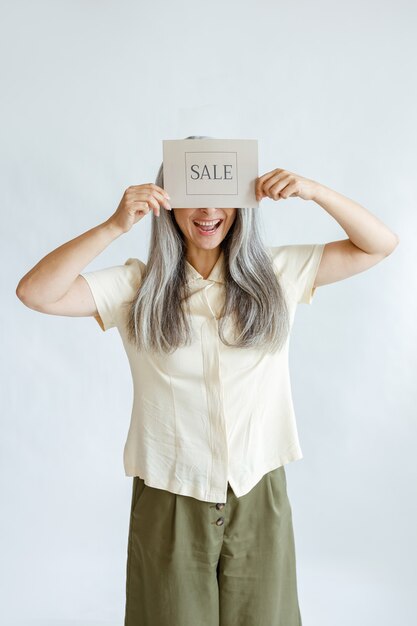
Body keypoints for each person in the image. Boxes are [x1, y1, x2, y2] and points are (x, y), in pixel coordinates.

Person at [16, 135, 399, 626]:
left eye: (222, 192)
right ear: (167, 201)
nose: (207, 210)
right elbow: (35, 293)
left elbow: (380, 244)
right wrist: (114, 226)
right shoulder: (137, 287)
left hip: (256, 491)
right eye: (191, 193)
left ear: (242, 203)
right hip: (170, 495)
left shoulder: (277, 276)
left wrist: (313, 190)